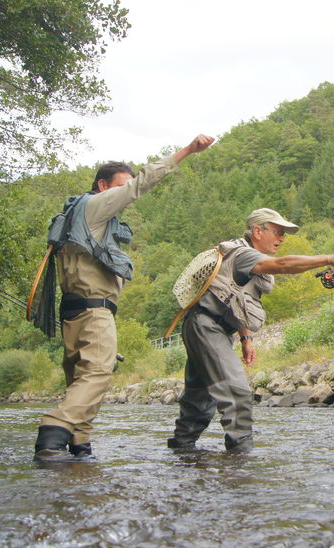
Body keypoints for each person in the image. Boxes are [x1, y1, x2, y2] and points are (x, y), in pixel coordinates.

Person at [33, 134, 216, 462]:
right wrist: (188, 150)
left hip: (72, 310)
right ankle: (54, 431)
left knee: (81, 378)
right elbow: (143, 183)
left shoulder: (77, 216)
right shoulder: (95, 206)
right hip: (94, 309)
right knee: (98, 371)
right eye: (121, 187)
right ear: (103, 186)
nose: (126, 195)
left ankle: (79, 444)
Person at [167, 208, 334, 453]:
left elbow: (235, 300)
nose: (282, 239)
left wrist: (245, 338)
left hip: (205, 327)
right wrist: (329, 259)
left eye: (284, 234)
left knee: (199, 399)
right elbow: (283, 265)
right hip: (206, 327)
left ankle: (182, 454)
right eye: (278, 232)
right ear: (258, 231)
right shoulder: (245, 255)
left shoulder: (242, 255)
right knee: (236, 392)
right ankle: (241, 458)